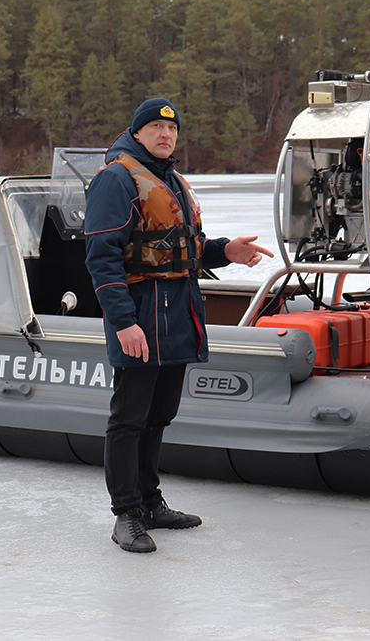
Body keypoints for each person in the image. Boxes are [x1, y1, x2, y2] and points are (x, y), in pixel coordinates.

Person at [83, 97, 273, 553]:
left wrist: (225, 251)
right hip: (141, 315)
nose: (165, 135)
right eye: (155, 128)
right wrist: (123, 323)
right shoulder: (116, 179)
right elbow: (102, 258)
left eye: (172, 130)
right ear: (138, 132)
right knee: (129, 418)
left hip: (177, 313)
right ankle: (126, 513)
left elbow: (187, 246)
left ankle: (150, 501)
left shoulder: (172, 180)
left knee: (160, 414)